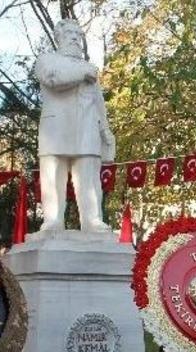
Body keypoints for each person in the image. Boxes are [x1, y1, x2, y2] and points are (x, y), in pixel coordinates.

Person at [35, 19, 115, 232]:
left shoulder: (88, 68)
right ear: (58, 37)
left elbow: (98, 101)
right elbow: (52, 79)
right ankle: (52, 220)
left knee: (89, 178)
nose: (74, 38)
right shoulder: (47, 60)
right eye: (69, 33)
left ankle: (92, 220)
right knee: (53, 176)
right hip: (56, 128)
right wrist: (82, 74)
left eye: (77, 34)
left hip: (87, 127)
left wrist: (105, 129)